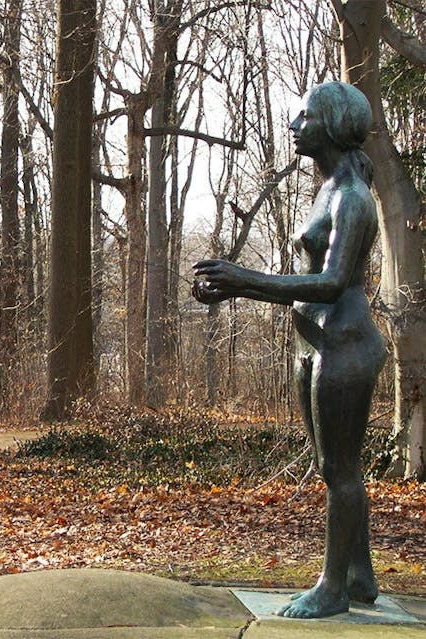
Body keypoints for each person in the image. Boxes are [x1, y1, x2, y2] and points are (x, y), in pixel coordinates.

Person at [193, 81, 385, 619]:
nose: (294, 128)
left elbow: (330, 283)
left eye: (303, 118)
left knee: (340, 470)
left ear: (332, 125)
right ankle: (360, 575)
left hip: (346, 347)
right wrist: (229, 285)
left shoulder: (353, 198)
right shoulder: (328, 190)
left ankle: (332, 588)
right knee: (335, 468)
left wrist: (244, 278)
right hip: (318, 346)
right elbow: (308, 281)